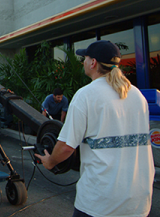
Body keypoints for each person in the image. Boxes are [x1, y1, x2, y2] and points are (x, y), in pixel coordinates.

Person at [35, 40, 155, 217]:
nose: (83, 61)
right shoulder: (137, 95)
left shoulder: (86, 95)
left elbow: (67, 146)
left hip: (100, 202)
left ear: (93, 63)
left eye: (85, 58)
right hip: (138, 201)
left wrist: (50, 161)